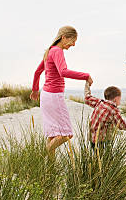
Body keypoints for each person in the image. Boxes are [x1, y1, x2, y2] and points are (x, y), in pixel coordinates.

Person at [31, 26, 92, 156]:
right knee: (66, 134)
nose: (74, 44)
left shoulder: (50, 51)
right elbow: (63, 72)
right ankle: (41, 155)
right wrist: (85, 76)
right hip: (54, 96)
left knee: (53, 136)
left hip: (46, 95)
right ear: (64, 37)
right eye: (72, 40)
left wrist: (35, 89)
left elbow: (37, 72)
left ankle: (50, 171)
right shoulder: (57, 51)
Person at [83, 82, 126, 149]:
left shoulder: (99, 102)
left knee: (96, 157)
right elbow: (122, 125)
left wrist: (87, 85)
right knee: (106, 157)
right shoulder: (114, 110)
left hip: (92, 138)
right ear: (116, 99)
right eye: (120, 98)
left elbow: (87, 98)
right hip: (103, 140)